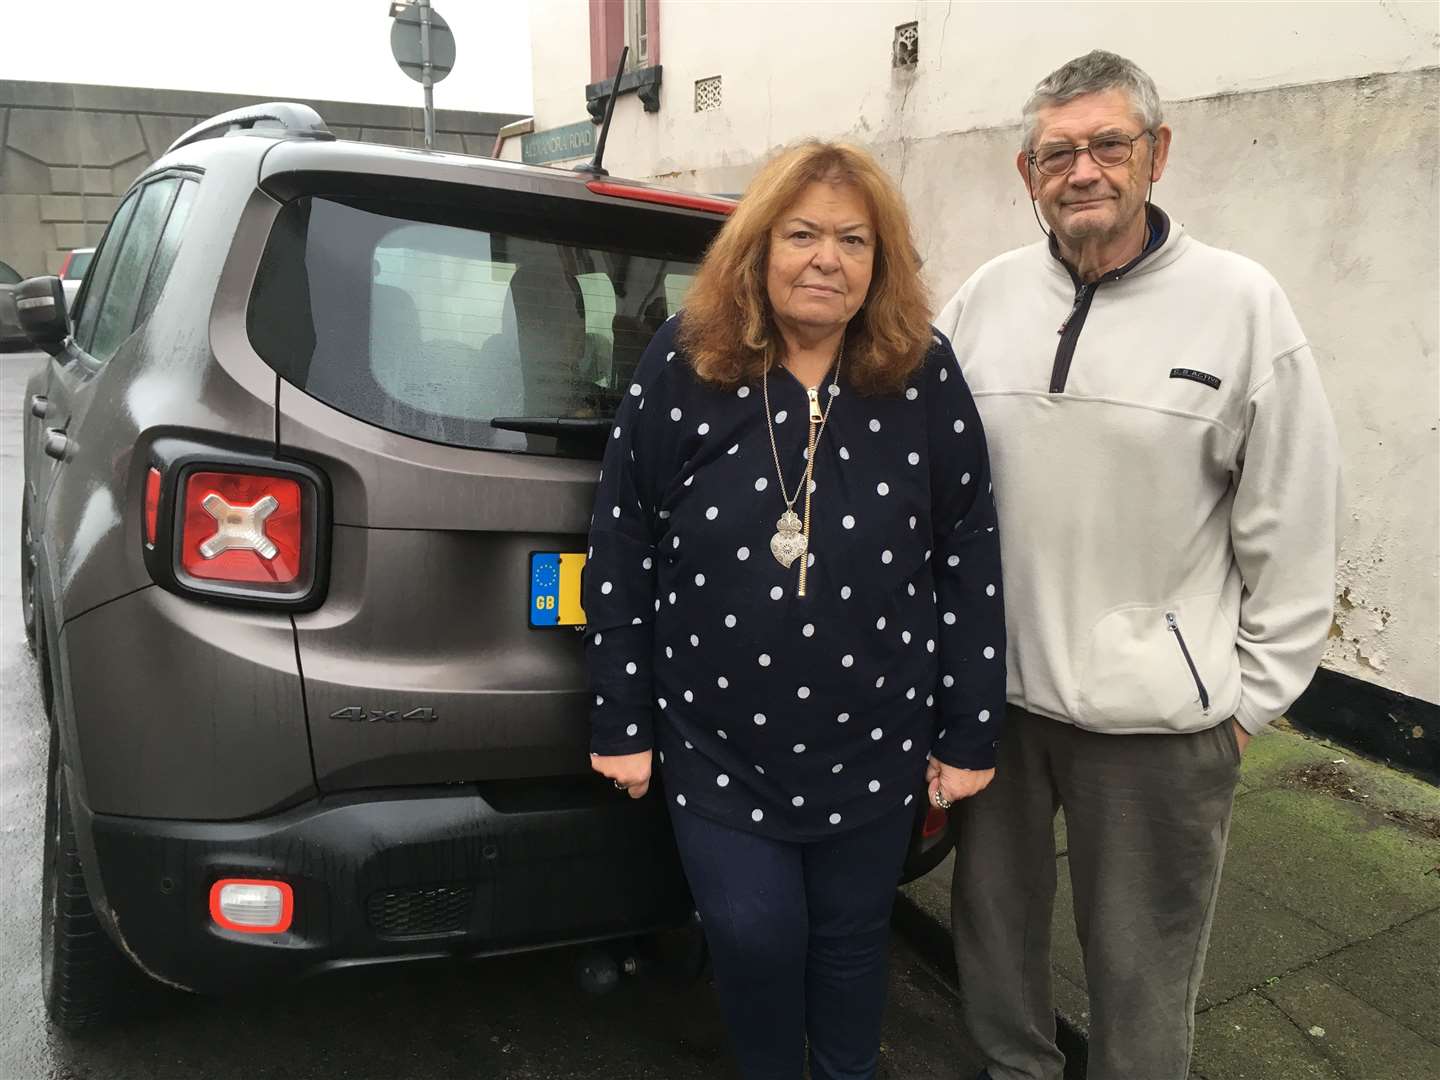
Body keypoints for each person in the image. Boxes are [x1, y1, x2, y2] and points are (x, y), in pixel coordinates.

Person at [935, 50, 1341, 1080]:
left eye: (1109, 145)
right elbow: (926, 483)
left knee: (1143, 980)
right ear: (1024, 172)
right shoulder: (982, 302)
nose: (1085, 172)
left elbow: (1293, 525)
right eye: (1058, 152)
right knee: (992, 951)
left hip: (1160, 731)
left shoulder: (1243, 306)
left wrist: (1246, 703)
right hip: (1000, 709)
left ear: (1156, 153)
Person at [584, 141, 1007, 1080]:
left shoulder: (920, 370)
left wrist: (969, 731)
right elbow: (620, 541)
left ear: (880, 261)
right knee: (754, 934)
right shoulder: (684, 360)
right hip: (718, 738)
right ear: (758, 248)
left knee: (855, 943)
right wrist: (621, 717)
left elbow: (968, 548)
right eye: (803, 233)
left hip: (875, 733)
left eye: (854, 240)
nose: (828, 258)